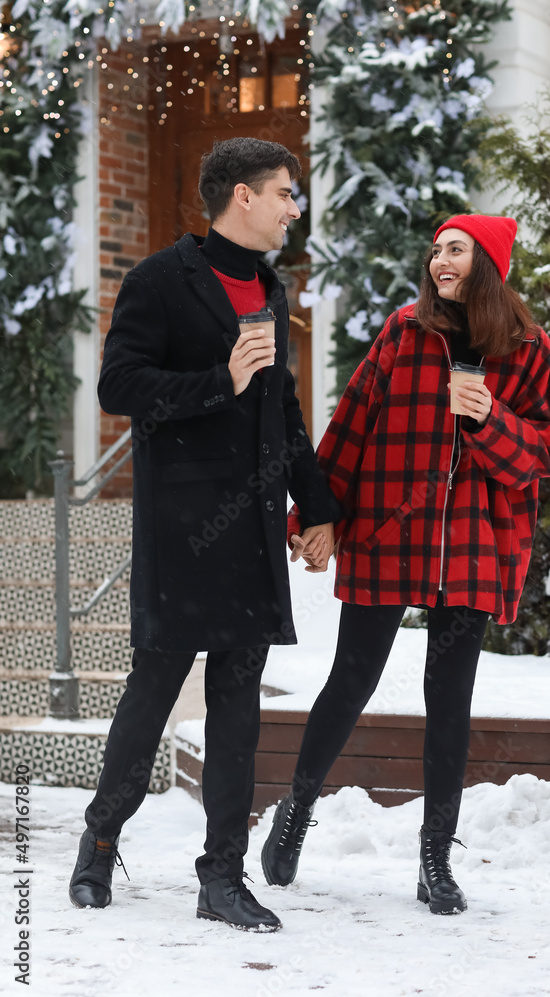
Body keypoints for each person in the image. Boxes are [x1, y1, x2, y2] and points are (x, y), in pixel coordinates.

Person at [262, 213, 550, 915]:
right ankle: (296, 812)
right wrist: (315, 516)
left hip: (472, 544)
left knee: (449, 701)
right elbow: (350, 429)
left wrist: (488, 419)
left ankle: (435, 858)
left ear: (486, 262)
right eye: (435, 249)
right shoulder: (405, 333)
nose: (439, 260)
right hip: (386, 533)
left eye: (455, 249)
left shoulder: (526, 348)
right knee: (350, 681)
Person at [68, 137, 340, 932]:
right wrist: (219, 379)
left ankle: (221, 876)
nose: (296, 208)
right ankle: (98, 841)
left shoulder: (268, 286)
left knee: (238, 707)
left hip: (251, 532)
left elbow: (280, 410)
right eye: (287, 193)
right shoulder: (158, 280)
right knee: (150, 696)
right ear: (242, 197)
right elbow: (120, 384)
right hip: (182, 529)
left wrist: (315, 507)